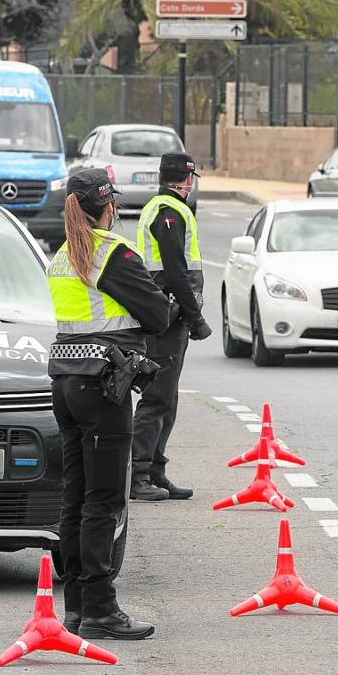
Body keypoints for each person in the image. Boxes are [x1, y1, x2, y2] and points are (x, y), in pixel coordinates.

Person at [47, 168, 175, 641]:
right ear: (108, 206)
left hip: (65, 381)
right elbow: (157, 315)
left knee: (76, 496)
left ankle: (77, 608)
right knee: (104, 499)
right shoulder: (112, 253)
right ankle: (101, 609)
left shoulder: (62, 255)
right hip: (103, 386)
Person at [129, 152, 211, 502]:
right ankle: (137, 475)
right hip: (167, 316)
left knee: (167, 399)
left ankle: (156, 470)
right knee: (157, 398)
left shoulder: (164, 209)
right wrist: (196, 317)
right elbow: (176, 270)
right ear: (187, 180)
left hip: (169, 314)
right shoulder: (169, 213)